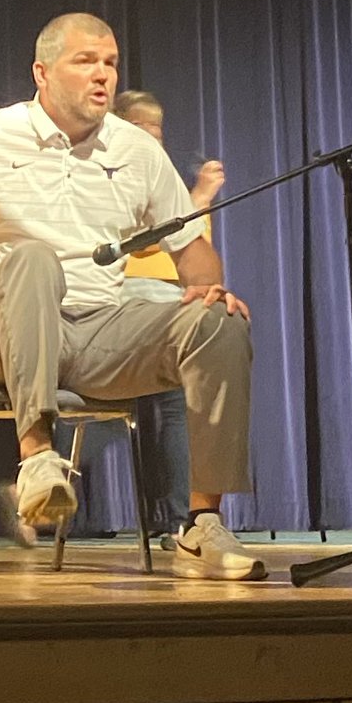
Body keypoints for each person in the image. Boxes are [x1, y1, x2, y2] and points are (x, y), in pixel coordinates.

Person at [0, 12, 264, 580]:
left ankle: (201, 526)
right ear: (42, 73)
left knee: (218, 323)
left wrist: (207, 288)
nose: (102, 75)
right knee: (32, 257)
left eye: (109, 63)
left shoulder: (137, 151)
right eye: (85, 62)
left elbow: (190, 249)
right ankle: (36, 458)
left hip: (96, 333)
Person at [114, 89, 225, 549]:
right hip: (128, 296)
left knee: (178, 406)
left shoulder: (165, 183)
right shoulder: (118, 173)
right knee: (109, 406)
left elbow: (197, 249)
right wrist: (198, 195)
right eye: (143, 131)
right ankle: (40, 488)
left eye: (157, 133)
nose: (152, 142)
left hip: (172, 297)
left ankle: (181, 521)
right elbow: (140, 243)